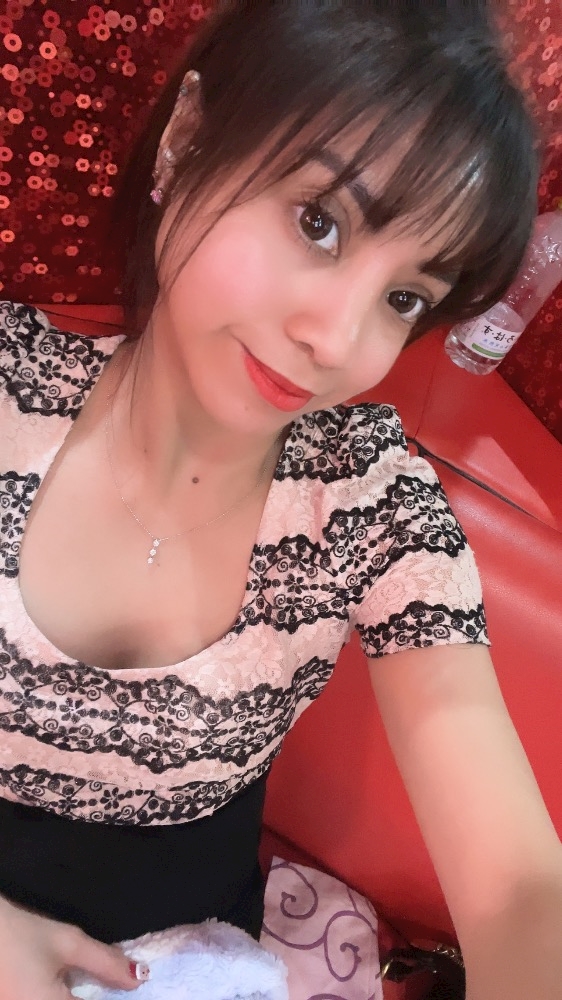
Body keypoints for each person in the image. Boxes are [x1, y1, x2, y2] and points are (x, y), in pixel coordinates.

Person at [0, 1, 561, 998]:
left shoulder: (369, 508)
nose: (338, 338)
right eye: (320, 222)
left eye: (404, 298)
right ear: (187, 138)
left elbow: (522, 890)